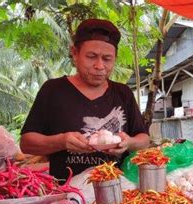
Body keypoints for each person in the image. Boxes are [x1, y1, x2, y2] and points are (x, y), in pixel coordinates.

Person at [20, 18, 150, 180]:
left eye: (107, 59)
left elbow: (144, 140)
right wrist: (61, 141)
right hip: (66, 193)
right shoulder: (53, 90)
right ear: (75, 53)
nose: (100, 66)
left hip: (116, 191)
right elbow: (26, 143)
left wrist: (128, 143)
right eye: (91, 56)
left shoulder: (122, 93)